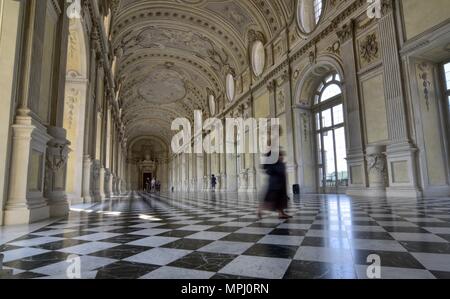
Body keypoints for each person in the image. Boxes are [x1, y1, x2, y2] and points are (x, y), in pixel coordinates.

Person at [258, 151, 292, 220]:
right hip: (275, 183)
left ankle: (281, 213)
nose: (281, 157)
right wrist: (280, 164)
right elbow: (270, 170)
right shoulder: (272, 159)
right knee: (271, 200)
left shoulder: (275, 155)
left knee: (280, 199)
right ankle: (259, 210)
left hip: (279, 182)